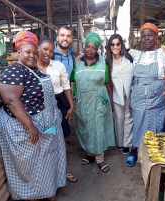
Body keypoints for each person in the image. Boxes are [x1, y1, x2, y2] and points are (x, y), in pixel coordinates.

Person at [0, 30, 66, 200]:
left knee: (46, 159)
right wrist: (30, 125)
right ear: (18, 52)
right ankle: (31, 194)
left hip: (44, 123)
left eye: (35, 52)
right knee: (30, 163)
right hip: (24, 126)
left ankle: (48, 190)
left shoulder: (33, 70)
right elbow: (11, 100)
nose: (33, 56)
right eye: (28, 52)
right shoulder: (14, 71)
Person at [125, 23, 165, 167]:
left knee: (156, 125)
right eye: (143, 36)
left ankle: (156, 155)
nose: (146, 38)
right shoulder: (135, 54)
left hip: (157, 96)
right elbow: (115, 51)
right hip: (139, 95)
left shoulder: (163, 53)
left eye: (150, 35)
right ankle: (134, 151)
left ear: (156, 37)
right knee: (139, 123)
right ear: (140, 39)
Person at [71, 32, 115, 173]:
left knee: (98, 129)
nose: (90, 50)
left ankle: (100, 159)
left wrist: (111, 101)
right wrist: (74, 99)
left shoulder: (103, 62)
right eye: (88, 47)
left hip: (99, 100)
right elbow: (72, 82)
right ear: (83, 47)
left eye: (94, 47)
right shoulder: (77, 64)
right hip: (82, 101)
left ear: (97, 50)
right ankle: (90, 154)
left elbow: (108, 83)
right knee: (85, 128)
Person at [37, 36, 77, 183]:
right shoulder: (31, 67)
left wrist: (71, 106)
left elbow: (66, 86)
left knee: (62, 138)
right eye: (45, 49)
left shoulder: (58, 66)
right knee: (45, 139)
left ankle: (62, 172)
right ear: (38, 49)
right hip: (40, 107)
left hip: (59, 104)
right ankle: (47, 174)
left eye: (51, 51)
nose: (48, 53)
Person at [51, 25, 78, 183]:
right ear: (57, 37)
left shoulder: (71, 55)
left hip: (63, 97)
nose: (65, 38)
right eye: (62, 35)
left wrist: (70, 104)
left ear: (71, 39)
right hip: (47, 98)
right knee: (48, 136)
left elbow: (68, 82)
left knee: (64, 135)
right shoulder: (48, 52)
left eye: (68, 36)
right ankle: (50, 172)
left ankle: (62, 171)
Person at [105, 34, 134, 154]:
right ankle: (120, 143)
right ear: (109, 46)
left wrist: (162, 47)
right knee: (119, 118)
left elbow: (146, 50)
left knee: (129, 118)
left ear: (121, 44)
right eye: (112, 44)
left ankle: (128, 144)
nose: (115, 46)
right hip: (117, 95)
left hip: (130, 93)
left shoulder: (130, 56)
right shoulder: (107, 61)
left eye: (117, 44)